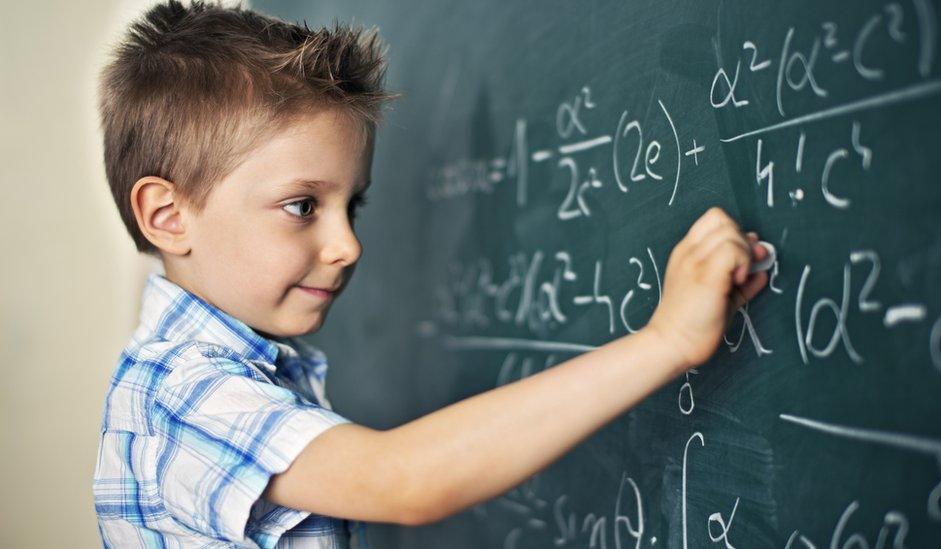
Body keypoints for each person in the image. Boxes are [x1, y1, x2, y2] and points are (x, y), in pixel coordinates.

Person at [92, 1, 770, 547]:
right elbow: (405, 479)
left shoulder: (225, 374)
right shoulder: (181, 394)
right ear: (167, 215)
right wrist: (667, 341)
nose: (348, 244)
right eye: (303, 205)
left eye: (351, 204)